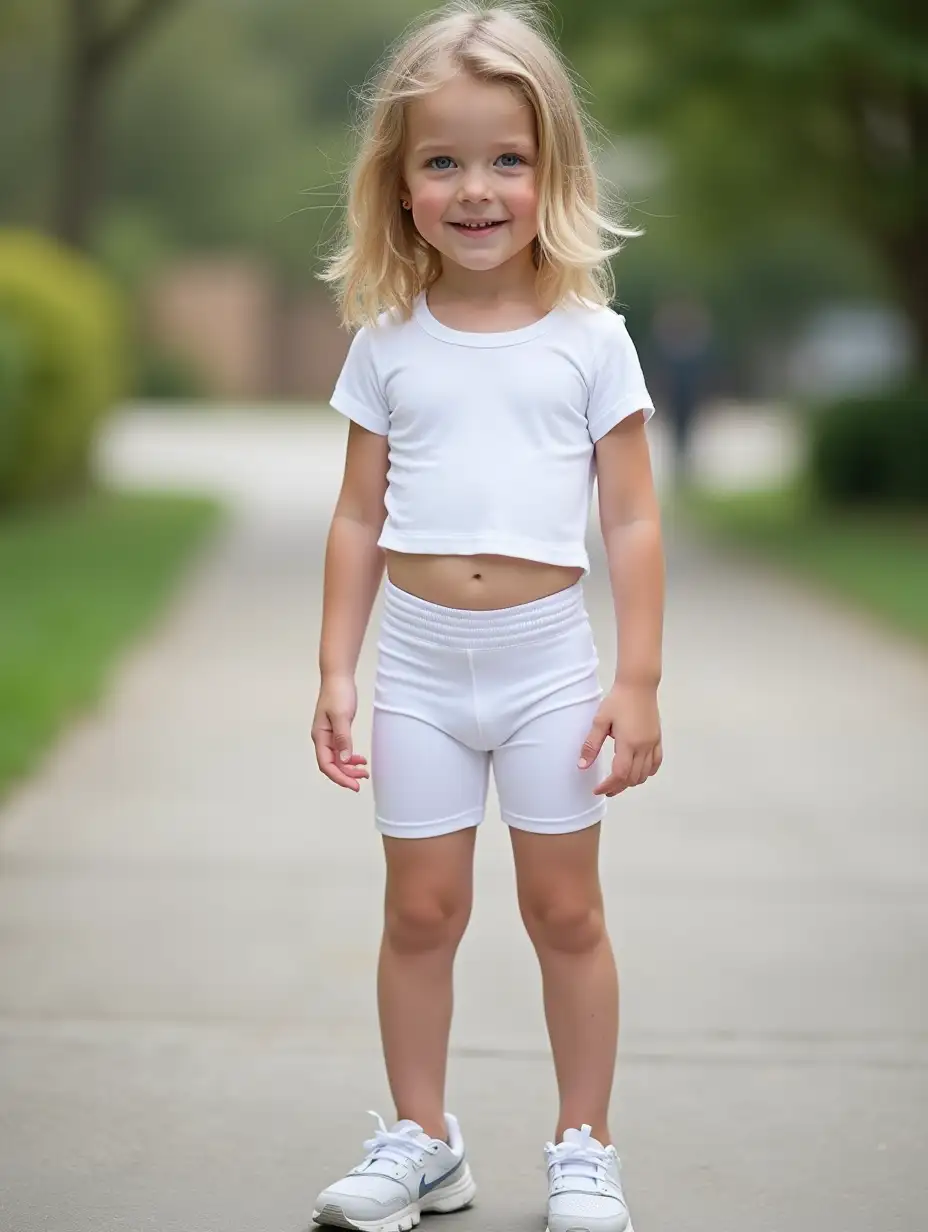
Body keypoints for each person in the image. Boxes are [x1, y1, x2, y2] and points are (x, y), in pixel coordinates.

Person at [310, 4, 664, 1231]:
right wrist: (336, 669)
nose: (475, 189)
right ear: (399, 185)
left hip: (547, 669)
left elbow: (629, 522)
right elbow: (358, 515)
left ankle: (583, 1142)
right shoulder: (387, 344)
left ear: (550, 172)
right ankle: (422, 1138)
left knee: (564, 910)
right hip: (414, 666)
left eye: (505, 159)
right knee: (420, 909)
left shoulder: (590, 343)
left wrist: (638, 680)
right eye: (441, 161)